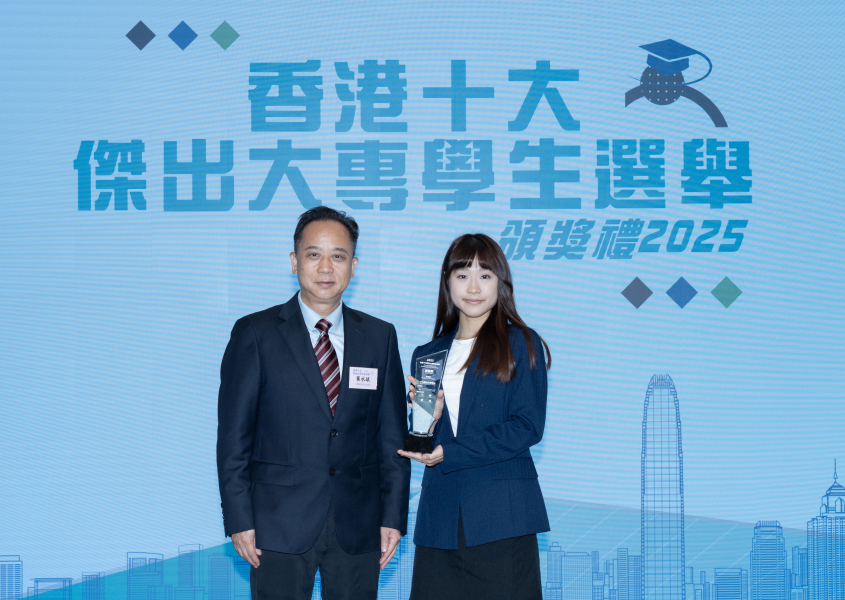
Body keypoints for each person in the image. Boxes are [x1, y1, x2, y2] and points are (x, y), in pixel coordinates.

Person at [217, 206, 410, 600]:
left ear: (353, 265)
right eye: (313, 254)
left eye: (338, 256)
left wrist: (393, 516)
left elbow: (391, 437)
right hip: (276, 525)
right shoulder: (255, 333)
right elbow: (234, 439)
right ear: (294, 261)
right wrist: (238, 518)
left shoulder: (380, 337)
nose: (325, 267)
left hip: (358, 525)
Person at [397, 233, 552, 600]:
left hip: (502, 516)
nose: (473, 287)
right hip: (440, 520)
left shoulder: (520, 343)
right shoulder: (427, 354)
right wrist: (430, 422)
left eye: (485, 275)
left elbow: (527, 426)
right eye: (462, 275)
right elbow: (424, 436)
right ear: (447, 281)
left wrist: (451, 452)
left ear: (501, 282)